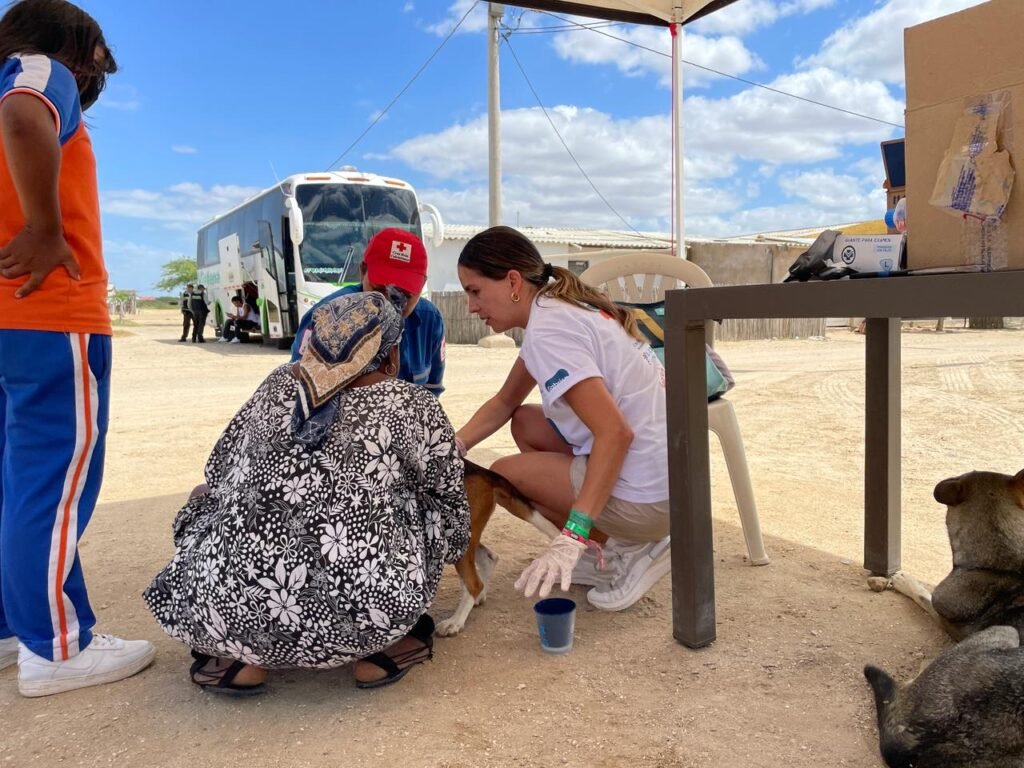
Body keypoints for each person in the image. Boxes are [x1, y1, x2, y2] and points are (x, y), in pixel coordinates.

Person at [144, 291, 469, 695]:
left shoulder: (276, 383)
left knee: (207, 495)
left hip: (230, 612)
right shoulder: (411, 402)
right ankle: (377, 653)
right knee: (428, 505)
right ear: (392, 355)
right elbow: (450, 498)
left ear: (313, 343)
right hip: (367, 617)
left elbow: (218, 471)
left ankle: (243, 659)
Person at [0, 0, 155, 697]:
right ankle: (56, 648)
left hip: (9, 319)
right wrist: (45, 228)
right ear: (79, 49)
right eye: (95, 66)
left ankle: (14, 628)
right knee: (53, 484)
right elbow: (25, 114)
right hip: (51, 315)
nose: (93, 82)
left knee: (18, 481)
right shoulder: (40, 68)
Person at [455, 226, 670, 612]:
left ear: (513, 281)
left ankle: (631, 549)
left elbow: (616, 433)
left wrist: (573, 533)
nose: (471, 306)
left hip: (650, 502)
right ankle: (613, 539)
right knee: (524, 420)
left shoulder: (550, 331)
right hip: (668, 482)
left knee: (505, 473)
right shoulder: (557, 308)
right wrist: (453, 446)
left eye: (474, 291)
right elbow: (505, 402)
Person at [289, 228, 445, 397]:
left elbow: (431, 392)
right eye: (379, 291)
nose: (388, 305)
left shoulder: (430, 322)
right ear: (362, 272)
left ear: (422, 285)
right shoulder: (325, 317)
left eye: (403, 296)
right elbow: (299, 390)